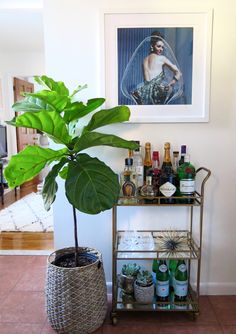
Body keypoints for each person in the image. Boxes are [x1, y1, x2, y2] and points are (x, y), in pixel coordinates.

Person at [131, 32, 182, 105]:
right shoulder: (162, 58)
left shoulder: (144, 60)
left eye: (162, 47)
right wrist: (170, 84)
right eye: (159, 46)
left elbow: (147, 82)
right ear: (152, 46)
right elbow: (178, 72)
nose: (161, 49)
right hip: (158, 94)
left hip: (143, 94)